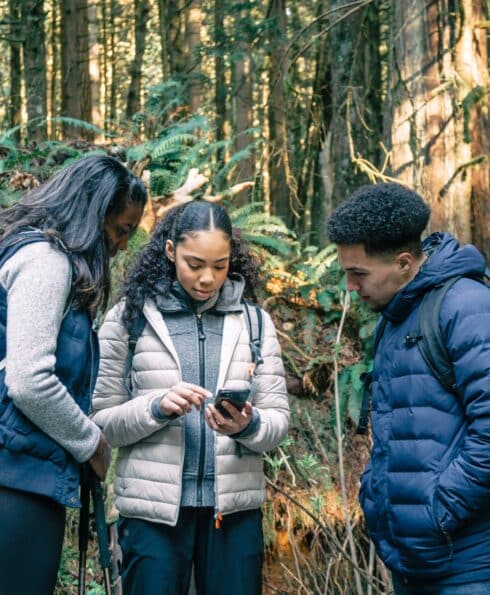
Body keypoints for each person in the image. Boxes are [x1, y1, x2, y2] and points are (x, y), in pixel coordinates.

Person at [91, 200, 290, 595]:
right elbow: (100, 422)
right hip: (153, 515)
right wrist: (155, 407)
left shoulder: (253, 322)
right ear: (170, 251)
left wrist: (248, 425)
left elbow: (278, 422)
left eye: (220, 265)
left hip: (233, 514)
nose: (207, 279)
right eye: (194, 264)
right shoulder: (128, 319)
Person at [327, 183, 490, 594]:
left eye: (358, 273)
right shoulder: (397, 315)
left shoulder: (466, 307)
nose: (349, 286)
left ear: (403, 263)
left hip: (468, 565)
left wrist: (439, 510)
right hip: (414, 562)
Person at [0, 155, 147, 595]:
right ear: (93, 212)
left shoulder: (33, 253)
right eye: (122, 229)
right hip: (15, 479)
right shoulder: (47, 260)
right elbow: (29, 380)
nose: (122, 245)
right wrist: (91, 442)